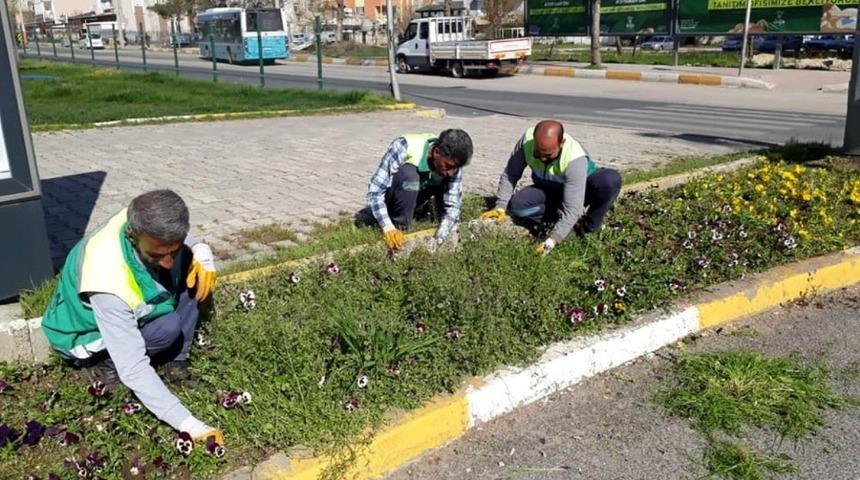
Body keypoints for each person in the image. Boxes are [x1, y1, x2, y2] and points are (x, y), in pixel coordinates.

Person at [41, 189, 222, 445]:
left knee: (193, 268)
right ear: (132, 235)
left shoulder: (140, 218)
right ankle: (104, 366)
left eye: (172, 251)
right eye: (157, 255)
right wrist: (188, 425)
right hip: (82, 335)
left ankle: (175, 360)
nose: (168, 263)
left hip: (122, 306)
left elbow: (174, 240)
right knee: (167, 327)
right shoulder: (106, 277)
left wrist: (199, 248)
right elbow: (134, 366)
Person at [481, 120, 622, 254]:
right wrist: (500, 206)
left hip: (581, 190)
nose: (542, 158)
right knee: (519, 205)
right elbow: (510, 174)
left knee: (609, 181)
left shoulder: (575, 158)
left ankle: (586, 228)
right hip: (550, 189)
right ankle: (560, 224)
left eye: (548, 155)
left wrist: (552, 241)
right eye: (538, 153)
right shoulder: (527, 142)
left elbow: (573, 208)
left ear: (562, 143)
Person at [360, 128, 474, 250]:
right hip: (396, 194)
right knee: (410, 177)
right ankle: (400, 225)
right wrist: (388, 227)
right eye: (448, 166)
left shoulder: (452, 163)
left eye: (455, 168)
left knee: (445, 179)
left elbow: (454, 204)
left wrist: (441, 235)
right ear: (436, 152)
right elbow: (375, 192)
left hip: (417, 193)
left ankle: (428, 214)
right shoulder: (404, 146)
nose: (451, 172)